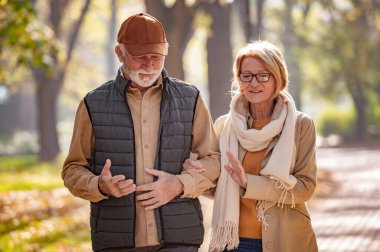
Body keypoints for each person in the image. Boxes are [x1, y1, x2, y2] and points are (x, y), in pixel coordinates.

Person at [62, 13, 220, 252]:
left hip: (180, 241)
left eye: (156, 57)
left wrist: (179, 184)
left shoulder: (192, 99)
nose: (149, 65)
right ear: (120, 53)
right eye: (140, 58)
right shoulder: (92, 104)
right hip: (116, 242)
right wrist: (99, 185)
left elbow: (214, 161)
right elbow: (72, 170)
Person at [185, 41, 318, 252]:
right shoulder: (224, 126)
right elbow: (217, 189)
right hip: (232, 242)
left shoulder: (301, 125)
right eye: (246, 75)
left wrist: (249, 183)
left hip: (286, 240)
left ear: (279, 78)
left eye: (263, 75)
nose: (253, 83)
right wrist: (202, 173)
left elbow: (305, 189)